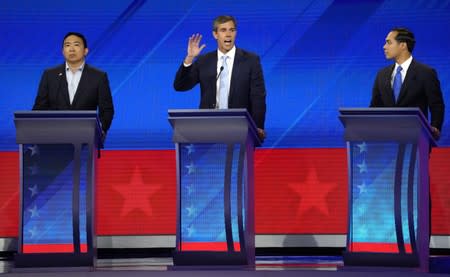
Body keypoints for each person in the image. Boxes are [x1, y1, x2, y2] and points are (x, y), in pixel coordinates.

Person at [173, 15, 267, 140]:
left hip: (241, 129)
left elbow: (258, 97)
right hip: (208, 128)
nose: (228, 34)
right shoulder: (204, 61)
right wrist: (189, 58)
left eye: (232, 30)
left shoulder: (250, 60)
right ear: (215, 34)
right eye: (223, 30)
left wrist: (258, 126)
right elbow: (180, 86)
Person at [33, 32, 114, 138]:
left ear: (85, 51)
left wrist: (100, 130)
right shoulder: (49, 75)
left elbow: (107, 109)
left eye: (76, 45)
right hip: (53, 137)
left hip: (86, 138)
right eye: (67, 45)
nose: (71, 49)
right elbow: (39, 108)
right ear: (63, 51)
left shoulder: (98, 76)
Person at [370, 27, 445, 140]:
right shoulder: (382, 74)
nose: (384, 47)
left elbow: (436, 104)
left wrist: (435, 127)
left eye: (389, 42)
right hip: (386, 140)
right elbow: (375, 107)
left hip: (416, 139)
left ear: (403, 45)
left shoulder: (426, 73)